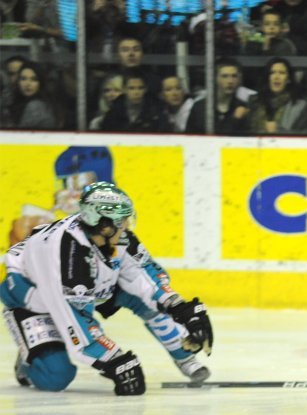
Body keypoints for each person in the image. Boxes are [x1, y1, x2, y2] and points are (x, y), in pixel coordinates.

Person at [2, 182, 215, 396]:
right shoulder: (67, 260)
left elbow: (145, 275)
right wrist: (114, 360)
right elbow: (76, 323)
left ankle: (183, 355)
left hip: (83, 287)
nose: (127, 226)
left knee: (146, 300)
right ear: (104, 226)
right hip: (32, 297)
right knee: (57, 376)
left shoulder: (111, 236)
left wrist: (179, 307)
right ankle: (29, 360)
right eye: (123, 220)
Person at [186, 58, 252, 135]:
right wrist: (235, 119)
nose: (230, 81)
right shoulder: (200, 108)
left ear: (239, 79)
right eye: (224, 76)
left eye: (234, 76)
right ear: (215, 78)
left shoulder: (244, 108)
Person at [248, 58, 307, 135]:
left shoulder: (300, 105)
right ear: (268, 77)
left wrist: (279, 131)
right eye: (272, 73)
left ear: (288, 79)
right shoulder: (254, 102)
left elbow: (306, 137)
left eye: (281, 73)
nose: (276, 77)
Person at [1, 61, 62, 130]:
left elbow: (17, 136)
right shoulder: (40, 102)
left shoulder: (35, 106)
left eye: (34, 79)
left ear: (41, 83)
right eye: (23, 79)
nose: (27, 84)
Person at [101, 71, 170, 132]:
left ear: (145, 89)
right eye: (131, 88)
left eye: (140, 88)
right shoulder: (113, 113)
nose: (136, 92)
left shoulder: (156, 113)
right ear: (124, 89)